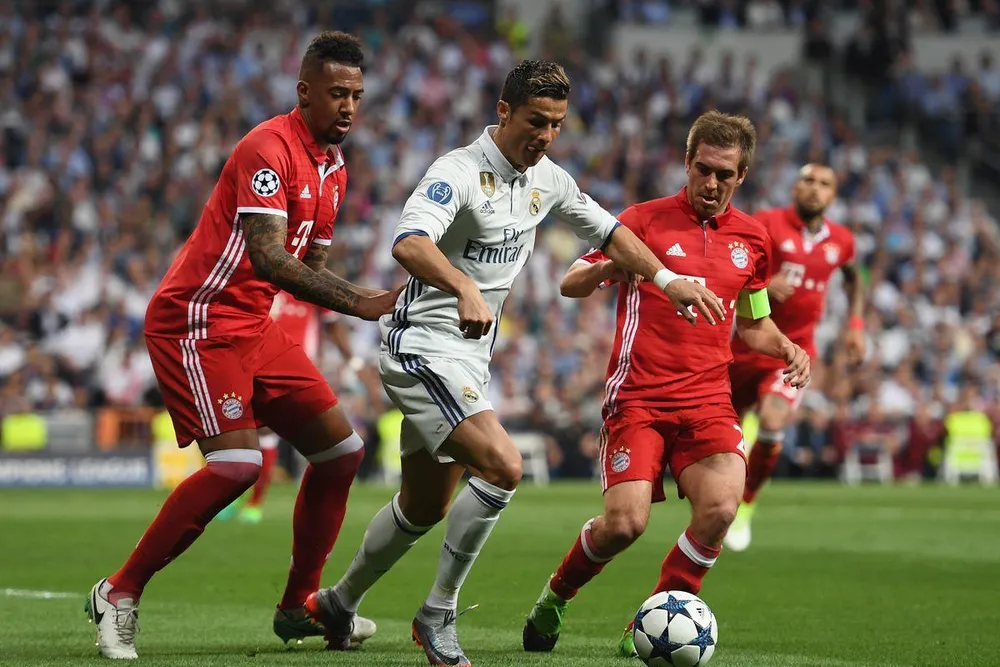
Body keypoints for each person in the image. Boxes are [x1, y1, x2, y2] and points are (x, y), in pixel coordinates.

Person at [304, 60, 725, 666]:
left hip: (468, 360)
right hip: (421, 346)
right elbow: (410, 242)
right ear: (504, 111)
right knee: (503, 466)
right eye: (535, 121)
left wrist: (666, 279)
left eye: (556, 124)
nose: (546, 135)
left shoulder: (547, 180)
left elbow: (610, 233)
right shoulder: (456, 171)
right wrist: (462, 286)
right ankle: (437, 614)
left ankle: (339, 603)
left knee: (423, 506)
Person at [84, 32, 397, 659]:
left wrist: (379, 300)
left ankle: (298, 607)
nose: (348, 107)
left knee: (342, 453)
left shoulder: (334, 168)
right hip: (197, 320)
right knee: (236, 465)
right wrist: (363, 301)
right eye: (336, 93)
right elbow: (269, 258)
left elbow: (310, 266)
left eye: (357, 96)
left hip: (253, 324)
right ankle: (118, 591)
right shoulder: (267, 148)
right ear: (304, 92)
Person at [521, 111, 811, 657]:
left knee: (721, 509)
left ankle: (654, 618)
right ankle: (555, 597)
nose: (712, 183)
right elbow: (570, 282)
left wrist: (787, 348)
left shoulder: (753, 240)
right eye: (703, 169)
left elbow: (753, 324)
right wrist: (610, 267)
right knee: (624, 525)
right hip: (639, 399)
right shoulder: (643, 222)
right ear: (687, 162)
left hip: (708, 402)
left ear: (742, 176)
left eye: (725, 175)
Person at [724, 164, 864, 552]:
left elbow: (854, 279)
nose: (815, 189)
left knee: (773, 421)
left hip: (794, 352)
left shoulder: (842, 241)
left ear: (833, 195)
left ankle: (745, 505)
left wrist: (855, 325)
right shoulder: (766, 223)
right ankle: (718, 499)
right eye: (808, 181)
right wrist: (764, 285)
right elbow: (731, 267)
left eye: (824, 184)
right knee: (721, 437)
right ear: (795, 187)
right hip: (746, 346)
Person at [220, 291, 365, 525]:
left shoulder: (308, 283)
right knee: (242, 429)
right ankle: (240, 498)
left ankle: (254, 502)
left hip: (296, 367)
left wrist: (353, 361)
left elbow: (333, 323)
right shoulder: (264, 282)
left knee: (265, 431)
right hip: (254, 361)